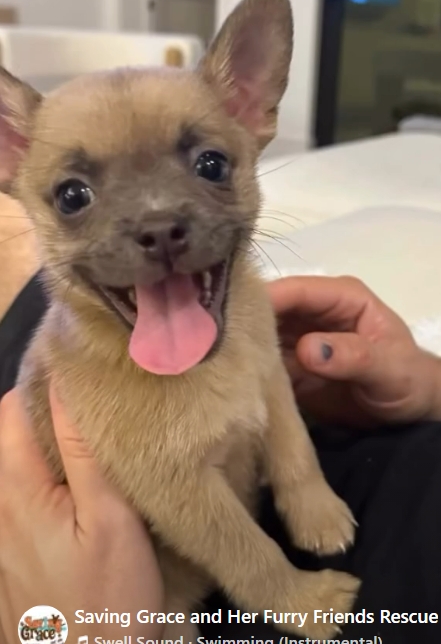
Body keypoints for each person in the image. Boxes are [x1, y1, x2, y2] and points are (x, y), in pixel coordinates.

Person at [0, 273, 440, 643]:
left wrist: (301, 484)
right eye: (74, 202)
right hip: (136, 578)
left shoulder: (241, 292)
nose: (156, 219)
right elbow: (179, 489)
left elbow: (269, 374)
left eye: (211, 173)